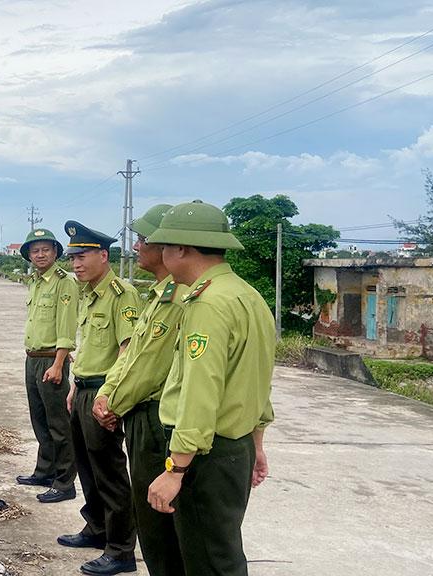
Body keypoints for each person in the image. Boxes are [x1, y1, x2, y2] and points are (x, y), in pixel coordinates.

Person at [145, 200, 275, 576]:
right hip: (235, 448)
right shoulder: (247, 296)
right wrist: (257, 443)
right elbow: (257, 380)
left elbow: (201, 392)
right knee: (222, 556)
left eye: (164, 246)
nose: (161, 253)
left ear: (181, 248)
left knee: (208, 562)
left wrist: (175, 469)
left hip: (207, 456)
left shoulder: (208, 303)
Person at [91, 204, 187, 576]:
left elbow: (150, 368)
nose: (136, 246)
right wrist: (107, 395)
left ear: (167, 246)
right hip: (137, 411)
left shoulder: (177, 299)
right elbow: (130, 357)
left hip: (155, 417)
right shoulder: (158, 296)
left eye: (143, 239)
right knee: (148, 518)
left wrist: (112, 404)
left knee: (158, 523)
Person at [58, 220, 141, 576]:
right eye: (72, 258)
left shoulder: (122, 295)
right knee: (87, 468)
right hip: (83, 389)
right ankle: (96, 529)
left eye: (82, 257)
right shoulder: (89, 293)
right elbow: (89, 348)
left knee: (109, 473)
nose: (75, 264)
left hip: (103, 394)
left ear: (104, 256)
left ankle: (120, 550)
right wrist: (74, 387)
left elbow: (127, 352)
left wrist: (110, 398)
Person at [16, 228, 79, 503]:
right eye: (35, 250)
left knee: (59, 424)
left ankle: (64, 483)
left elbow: (66, 326)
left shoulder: (64, 283)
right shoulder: (35, 281)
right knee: (40, 420)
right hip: (32, 358)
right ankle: (45, 471)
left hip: (51, 360)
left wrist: (59, 362)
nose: (40, 255)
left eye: (45, 249)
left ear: (55, 252)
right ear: (29, 255)